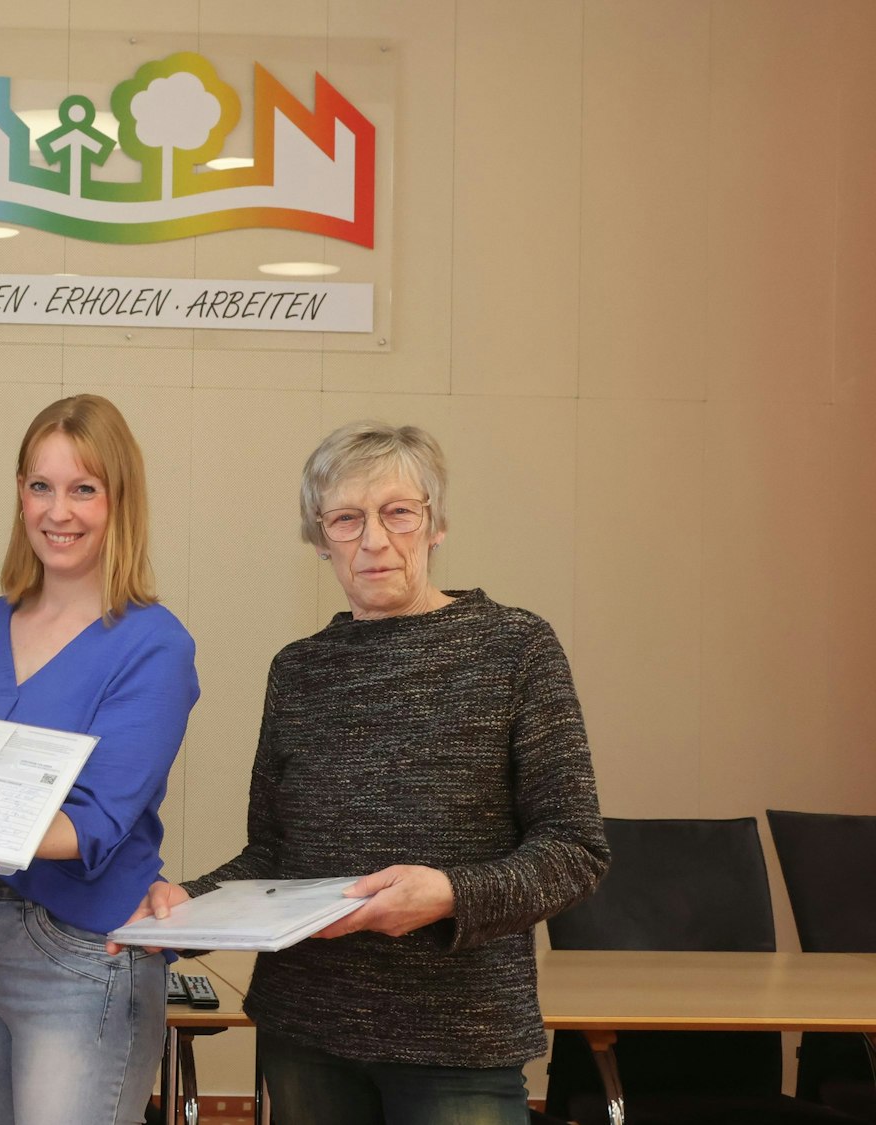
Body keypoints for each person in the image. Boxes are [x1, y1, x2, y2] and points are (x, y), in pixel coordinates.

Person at [122, 421, 608, 1125]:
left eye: (397, 512)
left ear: (434, 522)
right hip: (306, 1033)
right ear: (321, 539)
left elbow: (575, 849)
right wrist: (182, 906)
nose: (374, 540)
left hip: (458, 1038)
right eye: (346, 519)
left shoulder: (517, 648)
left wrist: (447, 893)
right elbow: (274, 856)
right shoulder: (298, 669)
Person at [0, 394, 198, 1125]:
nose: (59, 510)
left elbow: (97, 823)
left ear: (120, 501)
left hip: (81, 955)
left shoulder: (154, 645)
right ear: (19, 494)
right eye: (40, 485)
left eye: (84, 488)